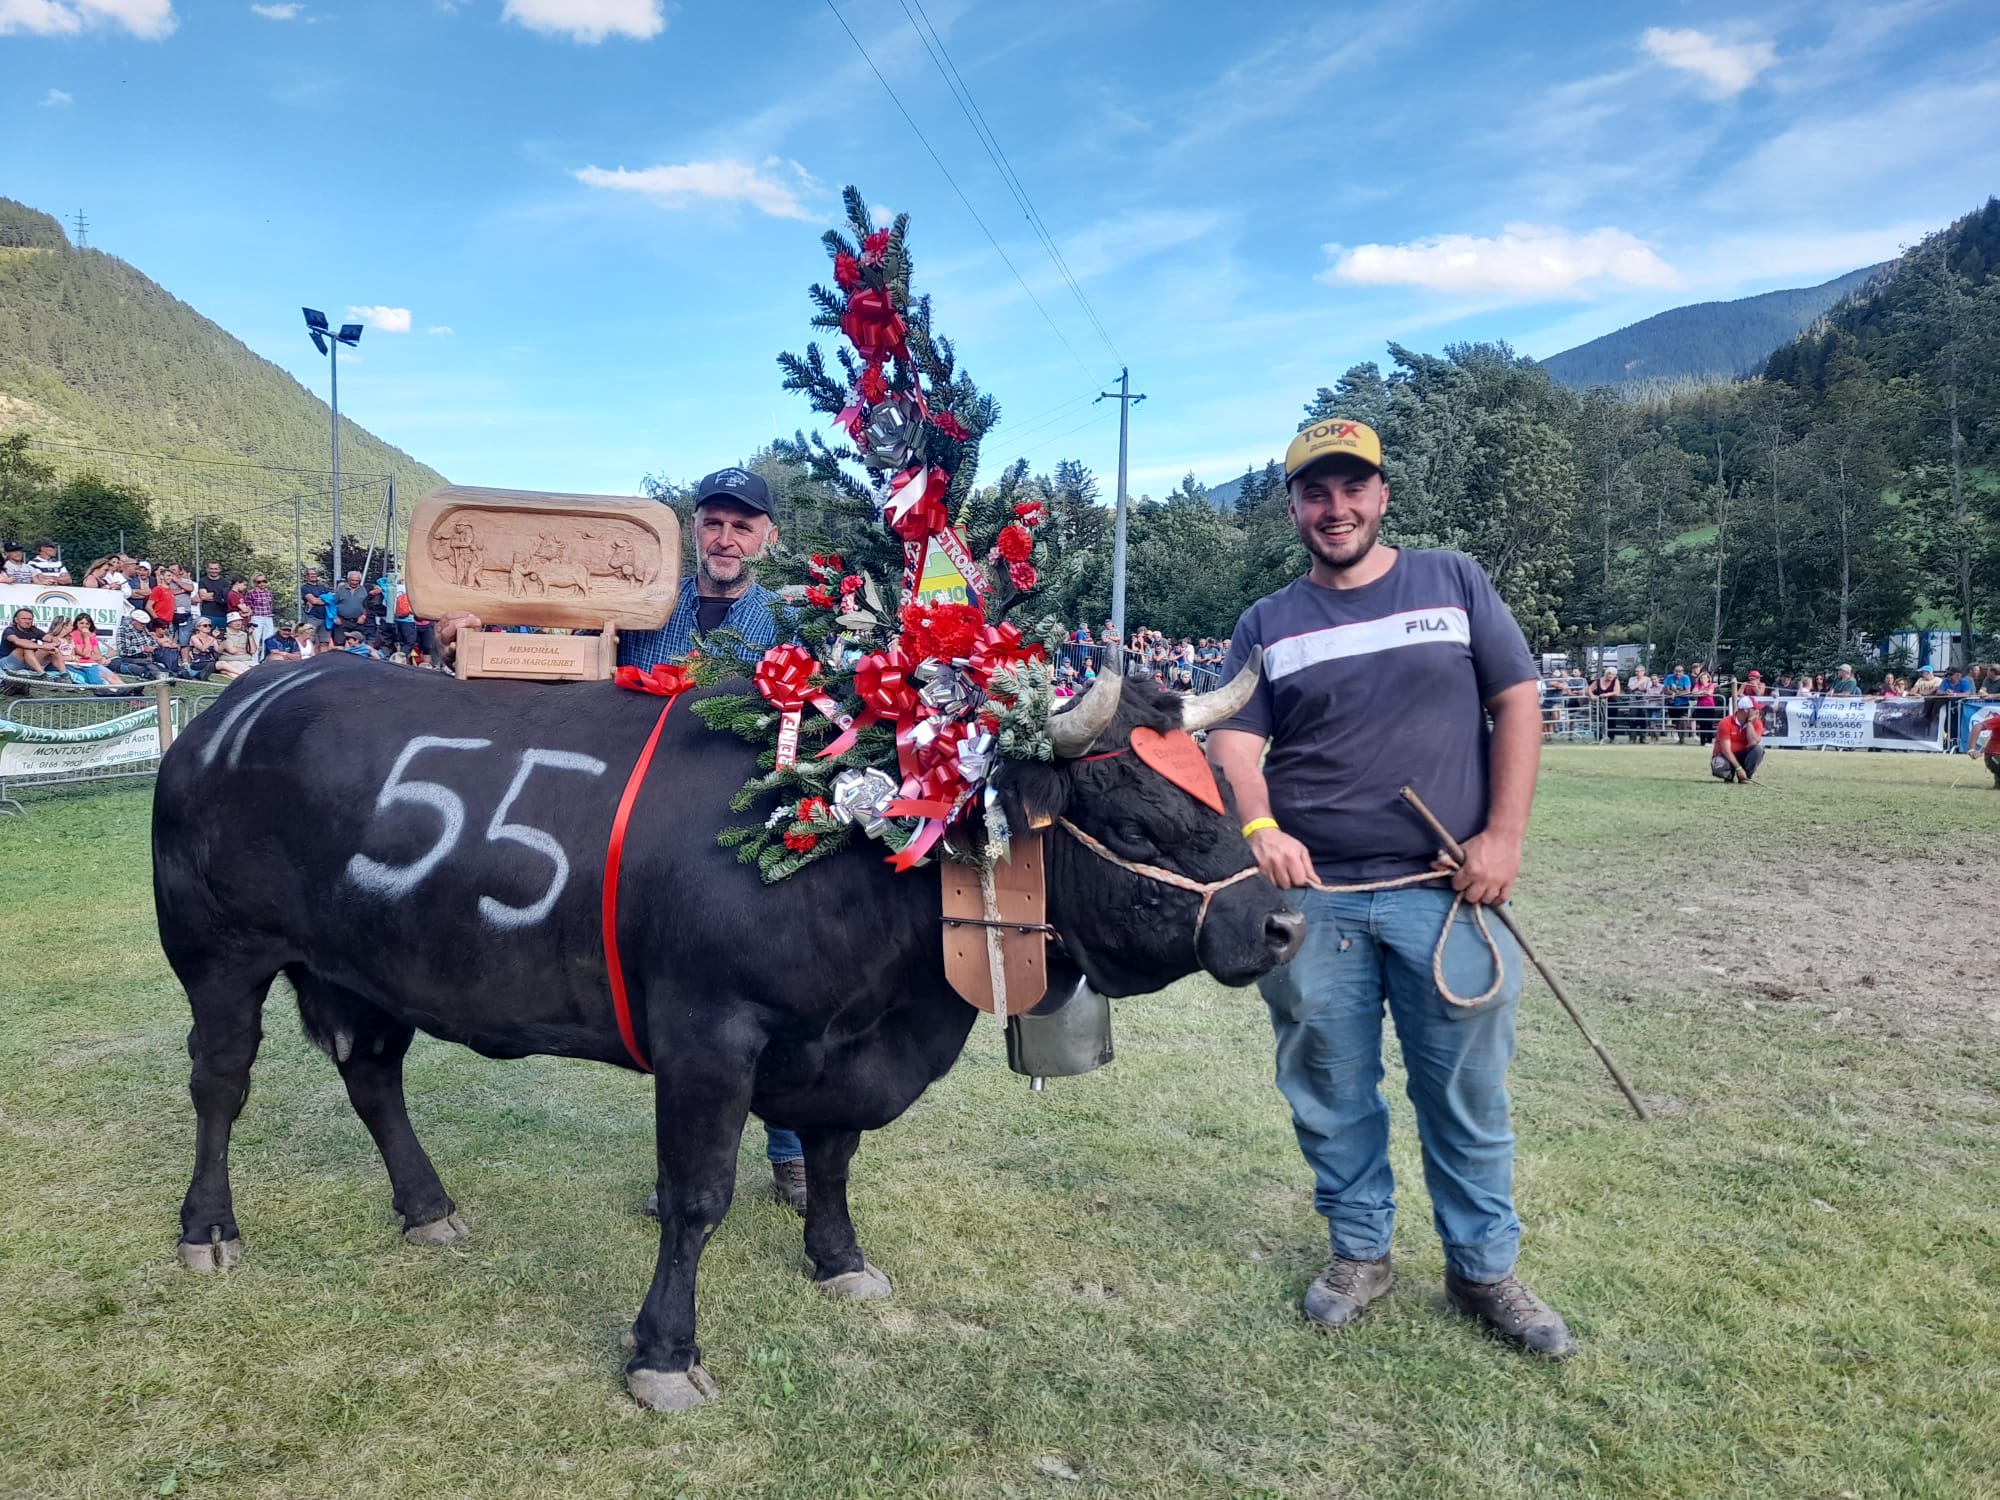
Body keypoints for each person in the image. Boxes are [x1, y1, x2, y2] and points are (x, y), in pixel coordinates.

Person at [1207, 417, 1572, 1359]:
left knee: (1465, 1091)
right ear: (1292, 506)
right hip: (1317, 899)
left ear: (1382, 495)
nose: (1336, 509)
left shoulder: (1453, 582)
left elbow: (1517, 701)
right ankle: (1360, 1250)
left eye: (1352, 488)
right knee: (1329, 1085)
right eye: (1315, 493)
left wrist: (1504, 836)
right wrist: (1261, 827)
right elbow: (1235, 740)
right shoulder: (1267, 622)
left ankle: (1483, 1268)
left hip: (1444, 890)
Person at [437, 465, 810, 1213]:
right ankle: (690, 1167)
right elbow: (560, 651)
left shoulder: (796, 623)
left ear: (766, 538)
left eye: (742, 525)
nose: (726, 537)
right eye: (713, 522)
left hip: (747, 831)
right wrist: (479, 642)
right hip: (650, 835)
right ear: (693, 529)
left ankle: (792, 1153)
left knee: (778, 994)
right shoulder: (639, 604)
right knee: (680, 1009)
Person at [4, 607, 69, 680]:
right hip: (8, 663)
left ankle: (65, 675)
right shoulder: (10, 630)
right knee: (26, 647)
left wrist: (55, 643)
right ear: (16, 620)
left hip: (27, 661)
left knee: (52, 650)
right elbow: (17, 641)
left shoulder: (33, 629)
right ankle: (42, 675)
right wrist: (43, 647)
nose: (27, 621)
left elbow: (49, 638)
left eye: (30, 619)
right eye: (24, 619)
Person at [1711, 697, 1764, 784]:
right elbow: (1726, 750)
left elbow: (1753, 743)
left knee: (1758, 750)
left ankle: (1745, 776)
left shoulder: (1757, 723)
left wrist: (1750, 723)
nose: (1758, 711)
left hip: (1742, 755)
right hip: (1724, 756)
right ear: (1746, 710)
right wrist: (1738, 768)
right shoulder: (1725, 722)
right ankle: (1729, 775)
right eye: (1755, 708)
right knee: (1718, 764)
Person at [61, 614, 120, 686]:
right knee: (104, 677)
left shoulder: (92, 636)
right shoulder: (72, 636)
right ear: (76, 624)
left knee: (113, 677)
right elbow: (86, 654)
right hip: (79, 664)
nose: (84, 626)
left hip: (92, 663)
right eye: (81, 623)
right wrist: (86, 638)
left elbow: (98, 656)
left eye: (87, 624)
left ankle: (129, 693)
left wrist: (84, 656)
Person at [331, 570, 371, 642]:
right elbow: (333, 604)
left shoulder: (363, 590)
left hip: (358, 622)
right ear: (348, 579)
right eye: (352, 580)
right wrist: (335, 617)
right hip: (342, 621)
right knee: (340, 643)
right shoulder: (340, 589)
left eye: (357, 580)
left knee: (358, 643)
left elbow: (366, 605)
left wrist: (364, 616)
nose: (354, 582)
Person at [244, 574, 276, 649]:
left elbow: (270, 605)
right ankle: (254, 659)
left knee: (268, 640)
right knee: (255, 640)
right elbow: (248, 607)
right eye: (259, 582)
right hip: (256, 617)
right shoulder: (251, 593)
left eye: (264, 581)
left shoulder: (268, 592)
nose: (262, 584)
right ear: (255, 583)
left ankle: (265, 659)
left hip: (268, 617)